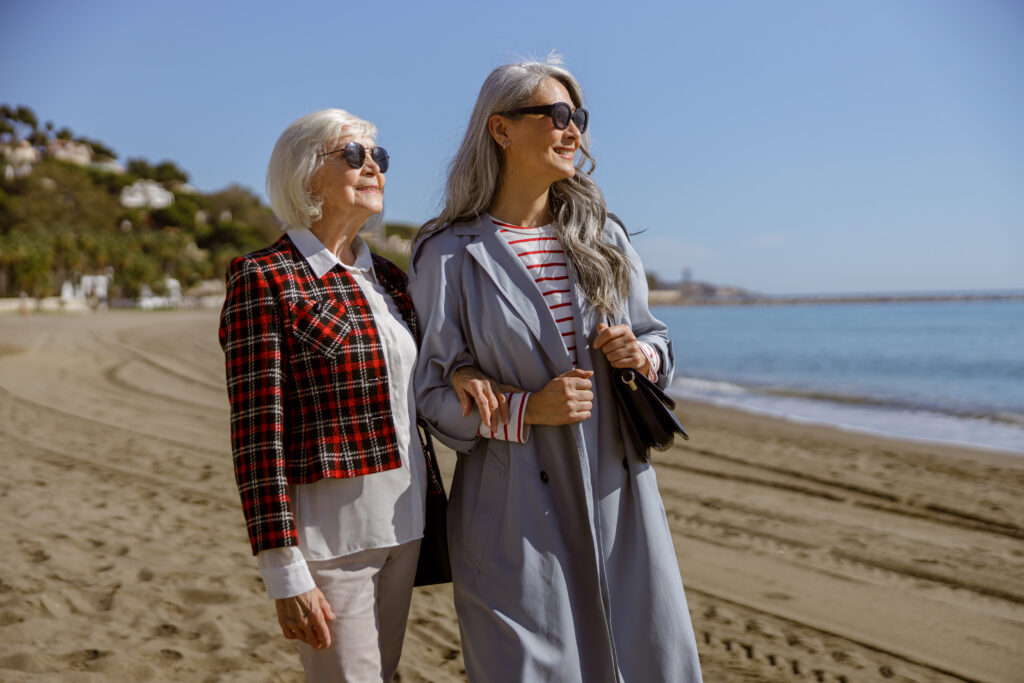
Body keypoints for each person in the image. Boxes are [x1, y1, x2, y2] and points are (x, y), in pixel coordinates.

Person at [407, 59, 704, 682]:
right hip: (512, 512)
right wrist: (524, 410)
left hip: (618, 496)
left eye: (580, 119)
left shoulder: (606, 239)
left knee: (644, 659)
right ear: (501, 129)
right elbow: (429, 395)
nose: (574, 132)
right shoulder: (448, 254)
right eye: (557, 116)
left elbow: (658, 341)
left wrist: (639, 356)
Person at [219, 109, 453, 682]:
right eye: (353, 155)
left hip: (409, 525)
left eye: (379, 157)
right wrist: (283, 570)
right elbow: (256, 438)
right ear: (306, 177)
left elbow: (424, 392)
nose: (372, 166)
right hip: (330, 542)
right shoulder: (265, 277)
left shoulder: (393, 280)